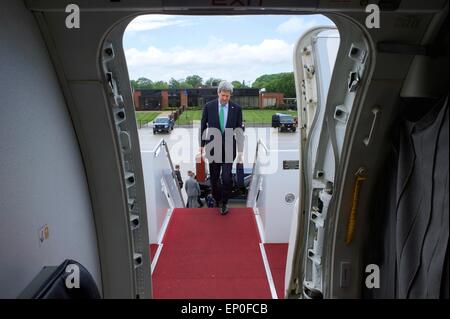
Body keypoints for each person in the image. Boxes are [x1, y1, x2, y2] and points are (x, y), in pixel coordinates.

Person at [199, 81, 244, 215]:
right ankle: (217, 199)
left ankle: (224, 203)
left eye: (227, 96)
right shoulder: (209, 107)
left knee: (226, 177)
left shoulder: (236, 109)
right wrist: (201, 145)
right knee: (213, 178)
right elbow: (203, 127)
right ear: (218, 93)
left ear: (230, 95)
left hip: (229, 149)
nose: (225, 98)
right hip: (213, 148)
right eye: (223, 95)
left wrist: (241, 150)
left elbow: (239, 130)